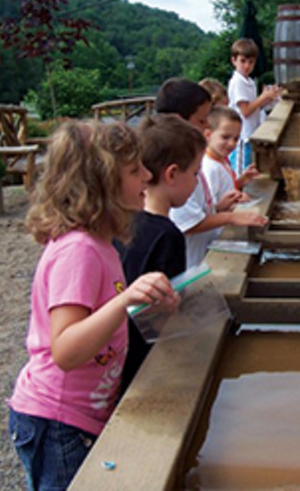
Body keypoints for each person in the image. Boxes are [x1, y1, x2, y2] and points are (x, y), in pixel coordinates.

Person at [7, 121, 179, 490]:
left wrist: (147, 305)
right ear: (100, 184)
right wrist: (126, 299)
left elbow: (103, 318)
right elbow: (66, 349)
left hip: (80, 417)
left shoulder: (103, 242)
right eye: (134, 171)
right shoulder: (79, 251)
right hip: (57, 422)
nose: (147, 176)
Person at [114, 114, 206, 396]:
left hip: (117, 349)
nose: (196, 182)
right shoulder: (167, 235)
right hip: (144, 359)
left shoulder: (123, 222)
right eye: (194, 174)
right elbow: (163, 315)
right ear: (172, 174)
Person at [159, 79, 267, 269]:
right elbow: (188, 222)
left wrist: (218, 208)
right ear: (179, 120)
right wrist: (231, 217)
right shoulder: (180, 168)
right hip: (189, 264)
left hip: (200, 257)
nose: (205, 128)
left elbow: (198, 210)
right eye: (202, 121)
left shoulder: (193, 160)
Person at [228, 38, 282, 175]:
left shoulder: (249, 81)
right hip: (242, 136)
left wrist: (268, 98)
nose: (247, 66)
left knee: (250, 169)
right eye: (243, 61)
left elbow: (254, 106)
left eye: (250, 62)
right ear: (234, 60)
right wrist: (263, 97)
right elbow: (245, 111)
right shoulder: (238, 82)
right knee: (241, 171)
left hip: (250, 134)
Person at [202, 106, 260, 204]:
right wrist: (235, 200)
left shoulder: (222, 160)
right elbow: (210, 207)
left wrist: (240, 182)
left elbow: (224, 189)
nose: (232, 143)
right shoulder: (210, 168)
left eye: (236, 139)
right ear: (208, 135)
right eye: (225, 137)